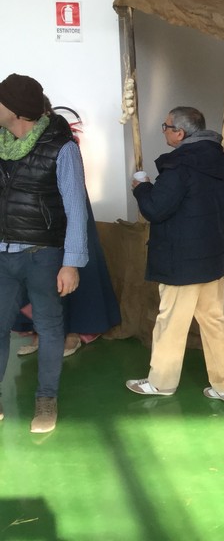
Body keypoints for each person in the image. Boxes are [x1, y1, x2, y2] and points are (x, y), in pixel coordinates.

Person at [126, 107, 224, 402]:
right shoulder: (216, 159)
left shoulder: (180, 165)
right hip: (211, 257)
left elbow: (155, 209)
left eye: (166, 126)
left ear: (180, 133)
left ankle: (161, 382)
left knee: (171, 322)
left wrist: (142, 188)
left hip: (182, 260)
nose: (163, 131)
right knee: (214, 321)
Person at [0, 73, 88, 433]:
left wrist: (72, 263)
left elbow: (76, 208)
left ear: (16, 110)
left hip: (43, 253)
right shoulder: (1, 144)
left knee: (49, 328)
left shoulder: (61, 148)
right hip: (3, 253)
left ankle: (46, 400)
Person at [16, 105, 120, 358]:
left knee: (72, 272)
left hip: (66, 211)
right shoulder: (16, 141)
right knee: (37, 277)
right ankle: (39, 330)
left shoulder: (62, 141)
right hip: (36, 219)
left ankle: (74, 330)